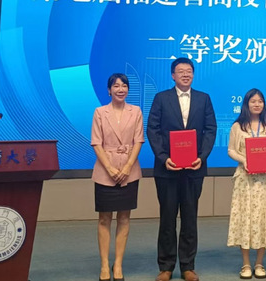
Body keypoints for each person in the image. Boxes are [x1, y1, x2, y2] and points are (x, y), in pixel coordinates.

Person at [147, 57, 217, 281]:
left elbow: (210, 129)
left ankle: (188, 266)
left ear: (193, 75)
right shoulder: (161, 98)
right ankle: (166, 266)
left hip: (194, 169)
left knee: (189, 218)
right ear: (172, 75)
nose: (185, 74)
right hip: (167, 169)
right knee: (167, 218)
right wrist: (163, 157)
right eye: (181, 71)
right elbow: (152, 129)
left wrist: (201, 157)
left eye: (189, 71)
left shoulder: (204, 98)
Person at [90, 73, 144, 281]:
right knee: (104, 218)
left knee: (124, 218)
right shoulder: (100, 112)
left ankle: (118, 264)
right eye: (116, 86)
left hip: (129, 170)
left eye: (124, 86)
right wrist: (111, 169)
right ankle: (104, 264)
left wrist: (128, 166)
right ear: (109, 90)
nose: (120, 89)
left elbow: (138, 141)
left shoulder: (136, 111)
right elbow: (96, 143)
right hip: (106, 170)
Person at [227, 88, 266, 279]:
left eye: (260, 101)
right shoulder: (238, 126)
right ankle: (245, 264)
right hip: (245, 180)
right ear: (246, 104)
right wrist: (244, 160)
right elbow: (231, 150)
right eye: (253, 101)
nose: (257, 104)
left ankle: (259, 263)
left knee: (263, 219)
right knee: (244, 219)